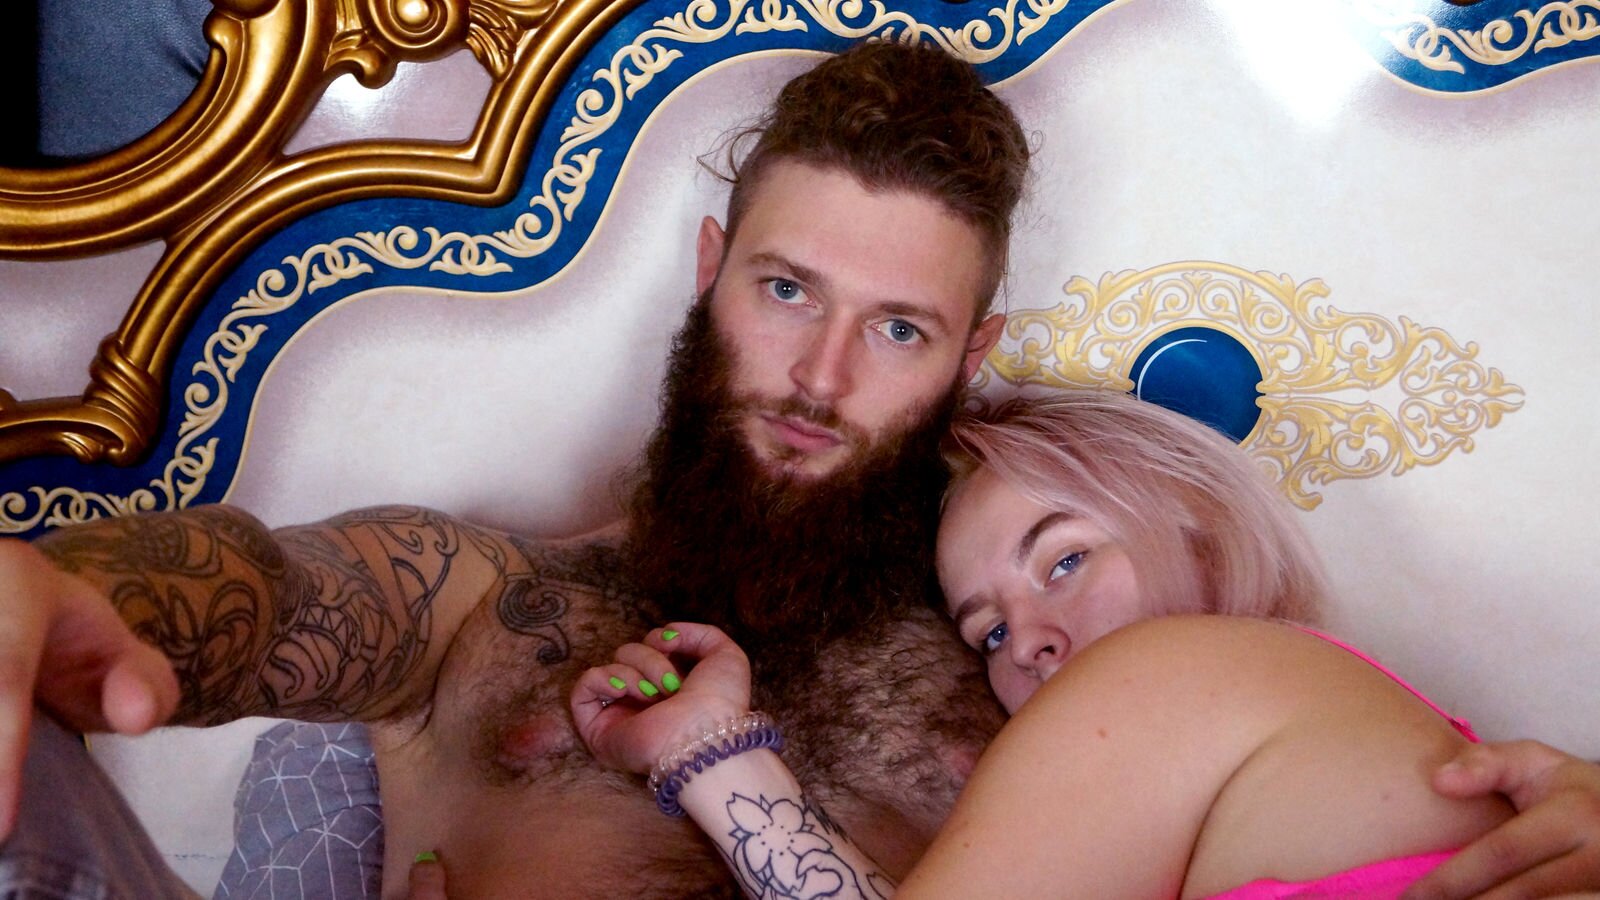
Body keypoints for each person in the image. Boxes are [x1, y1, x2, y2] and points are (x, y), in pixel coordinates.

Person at [1, 42, 1598, 900]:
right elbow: (260, 592)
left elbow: (1333, 785)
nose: (821, 381)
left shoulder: (1041, 661)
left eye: (898, 329)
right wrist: (59, 592)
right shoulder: (491, 600)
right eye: (786, 292)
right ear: (710, 273)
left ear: (970, 355)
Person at [565, 391, 1546, 897]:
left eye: (1065, 559)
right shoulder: (1287, 735)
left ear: (1200, 528)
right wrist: (705, 752)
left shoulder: (1172, 667)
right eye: (987, 630)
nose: (1027, 641)